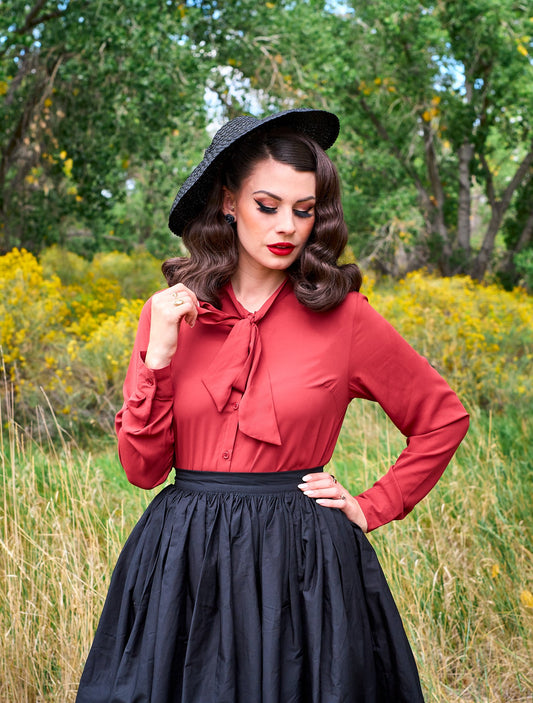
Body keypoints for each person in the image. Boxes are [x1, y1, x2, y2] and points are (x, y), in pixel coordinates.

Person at [76, 108, 469, 703]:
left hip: (305, 566)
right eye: (268, 205)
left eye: (303, 210)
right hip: (184, 562)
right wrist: (157, 356)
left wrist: (373, 505)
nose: (287, 226)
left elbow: (443, 417)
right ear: (229, 202)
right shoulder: (169, 314)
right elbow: (142, 470)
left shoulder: (346, 319)